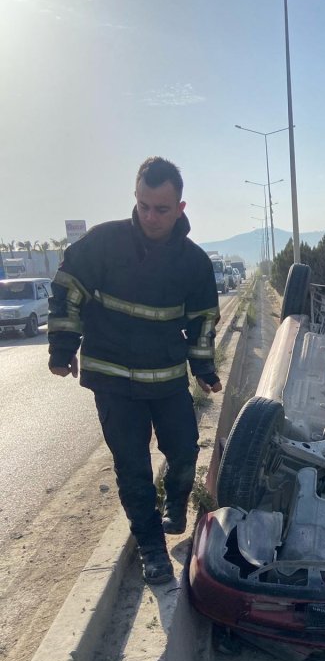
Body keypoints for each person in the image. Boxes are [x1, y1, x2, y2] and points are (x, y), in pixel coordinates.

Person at [48, 157, 222, 586]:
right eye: (144, 205)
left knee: (183, 451)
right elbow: (67, 290)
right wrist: (62, 348)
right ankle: (150, 546)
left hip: (165, 379)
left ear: (180, 208)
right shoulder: (103, 243)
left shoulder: (194, 263)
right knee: (132, 466)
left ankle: (177, 502)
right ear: (136, 197)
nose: (150, 216)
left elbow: (203, 319)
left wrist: (202, 367)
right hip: (111, 377)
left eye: (161, 209)